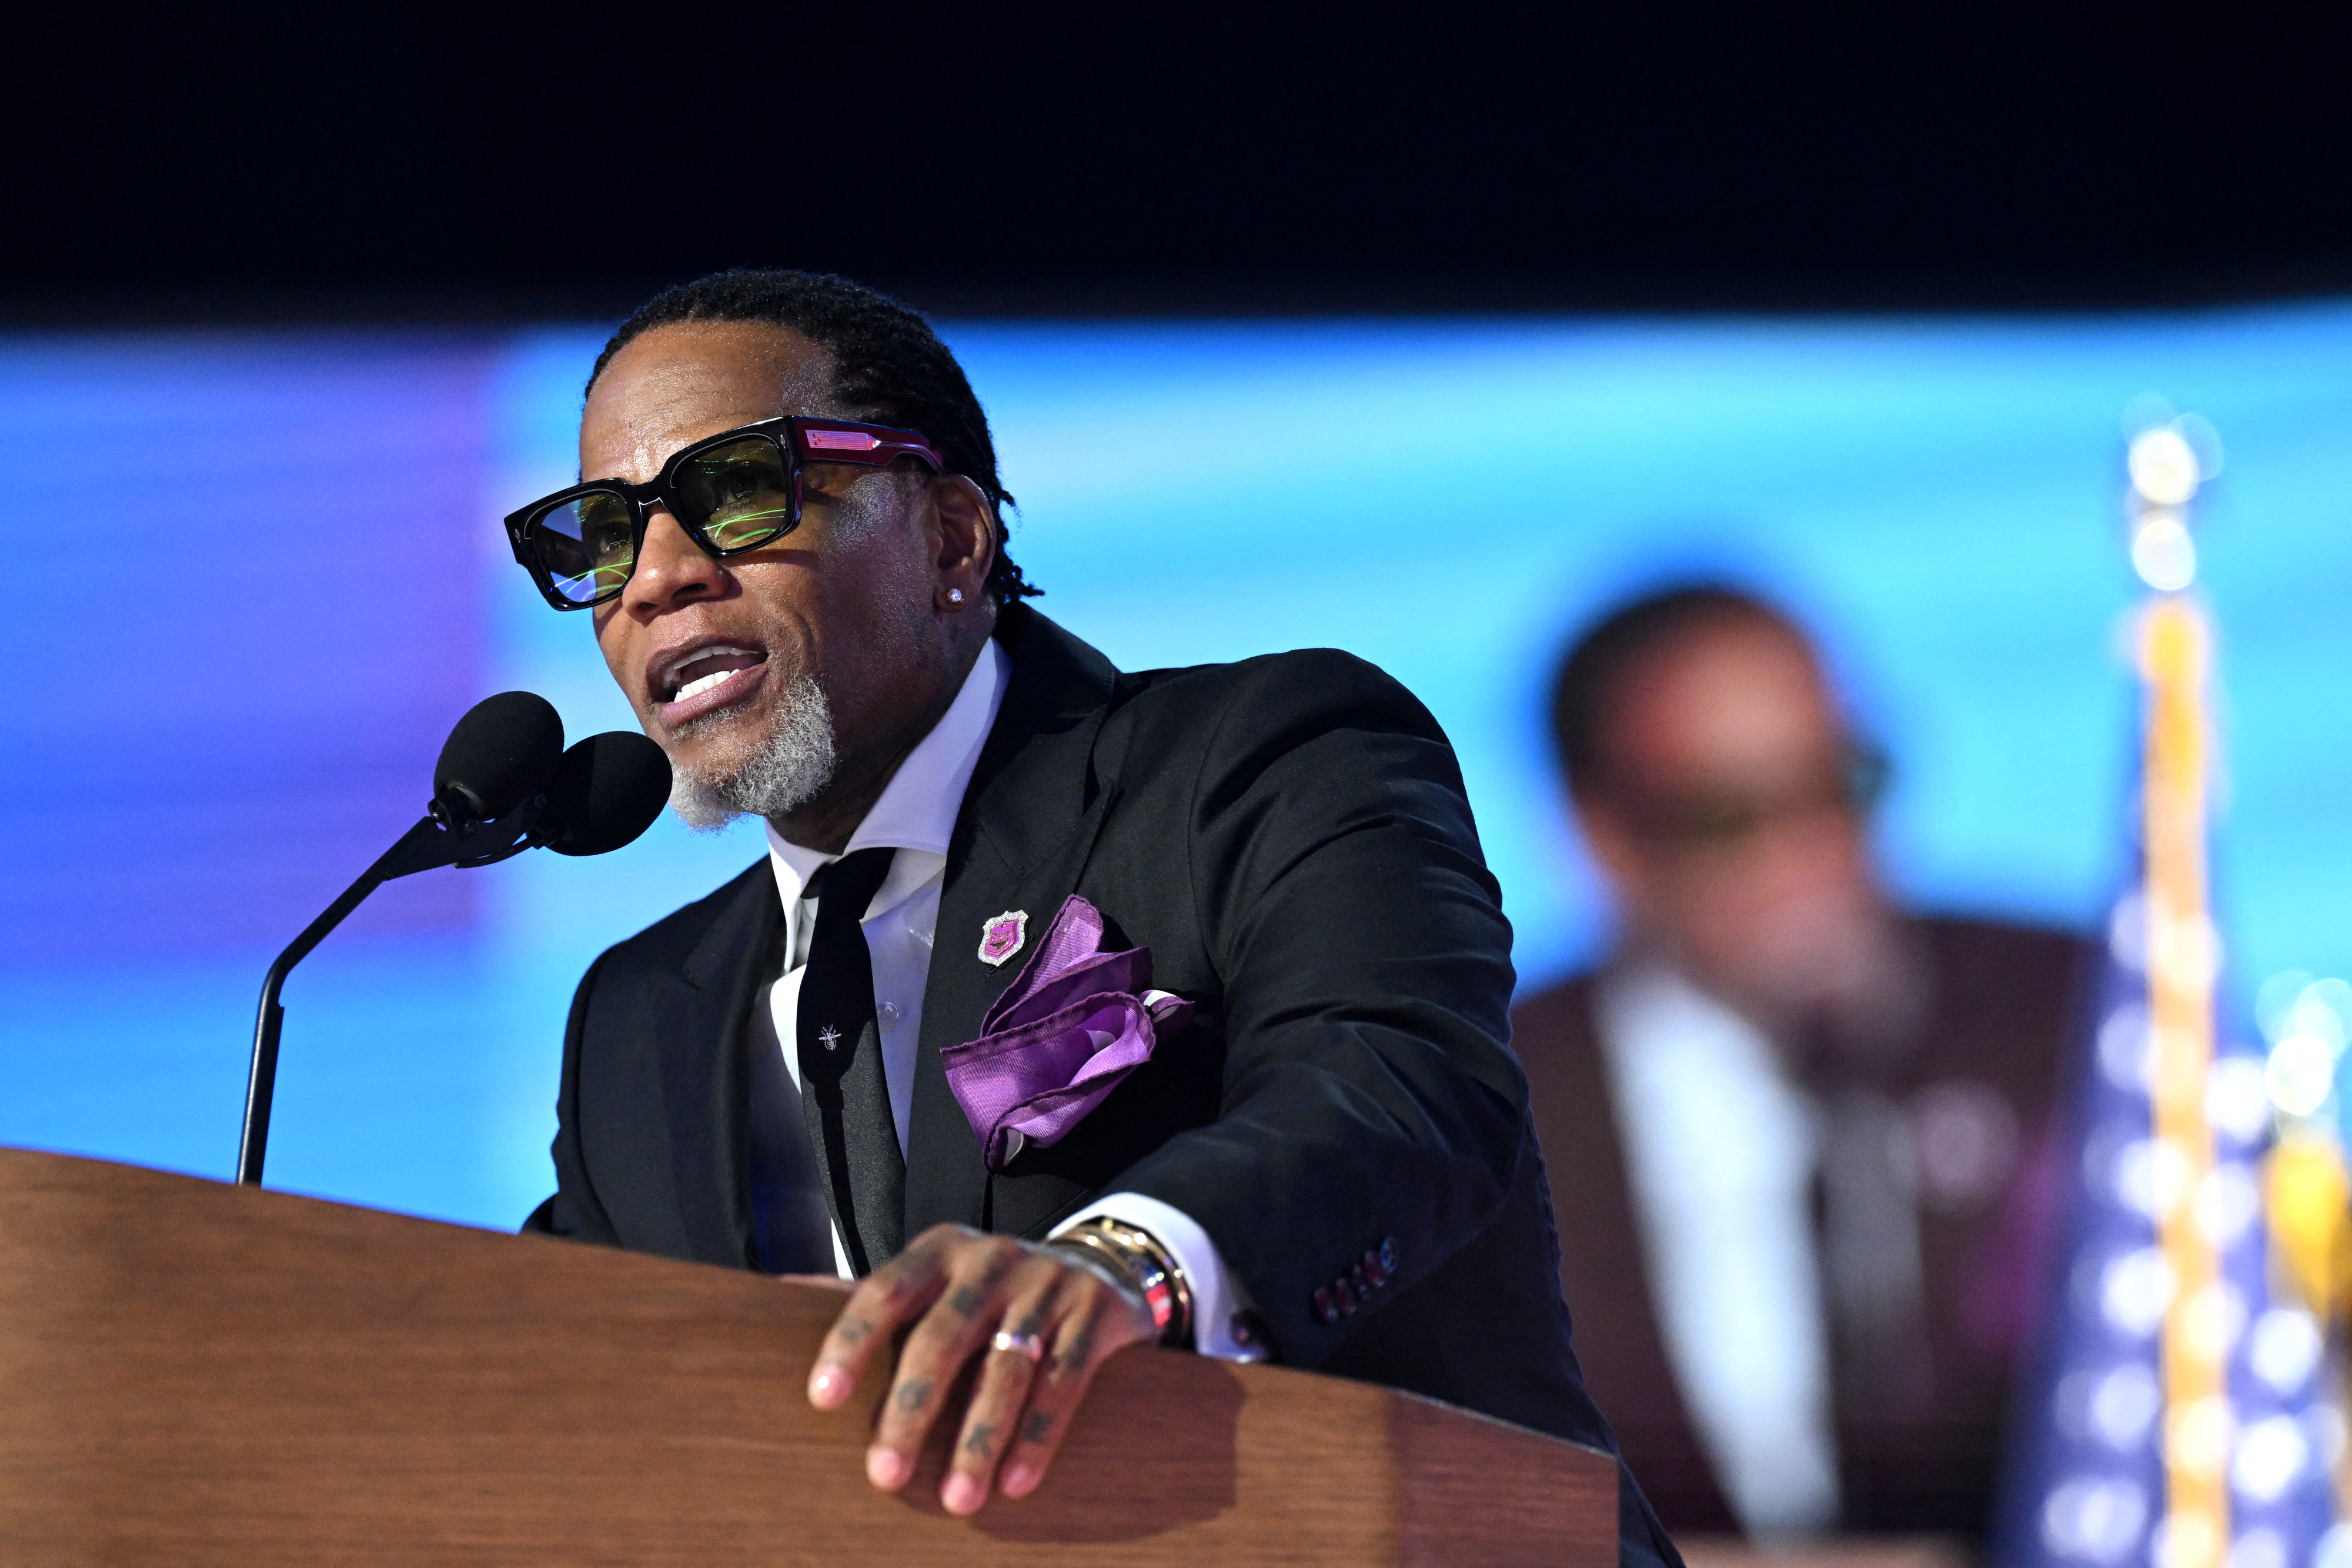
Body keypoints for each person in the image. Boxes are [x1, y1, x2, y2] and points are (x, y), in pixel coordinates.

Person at [510, 268, 1678, 1565]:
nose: (656, 576)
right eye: (602, 534)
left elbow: (1398, 1086)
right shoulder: (639, 1019)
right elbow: (560, 1378)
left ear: (952, 537)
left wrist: (1128, 1262)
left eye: (732, 492)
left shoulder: (1256, 764)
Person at [1512, 585, 2090, 1543]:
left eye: (1840, 786)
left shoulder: (2062, 1016)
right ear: (1605, 838)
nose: (1814, 852)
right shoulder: (1492, 1106)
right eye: (1731, 817)